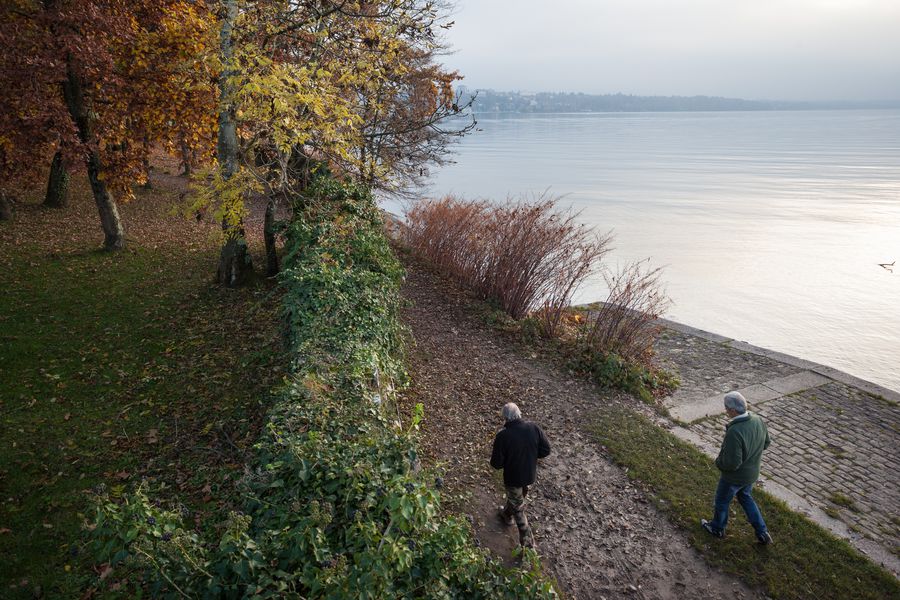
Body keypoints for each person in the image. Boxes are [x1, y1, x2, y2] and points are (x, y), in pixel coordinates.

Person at [701, 391, 774, 544]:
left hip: (734, 478)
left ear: (733, 410)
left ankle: (717, 528)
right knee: (746, 498)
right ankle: (762, 532)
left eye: (726, 408)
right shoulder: (757, 419)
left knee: (722, 501)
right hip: (751, 474)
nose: (726, 411)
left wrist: (718, 462)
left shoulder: (735, 431)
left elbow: (732, 464)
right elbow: (766, 443)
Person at [490, 402, 551, 549]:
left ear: (505, 418)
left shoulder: (503, 436)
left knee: (519, 509)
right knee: (517, 499)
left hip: (513, 478)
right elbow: (546, 450)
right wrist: (532, 456)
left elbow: (496, 464)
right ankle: (506, 514)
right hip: (529, 475)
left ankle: (529, 545)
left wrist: (508, 461)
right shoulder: (533, 427)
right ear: (519, 413)